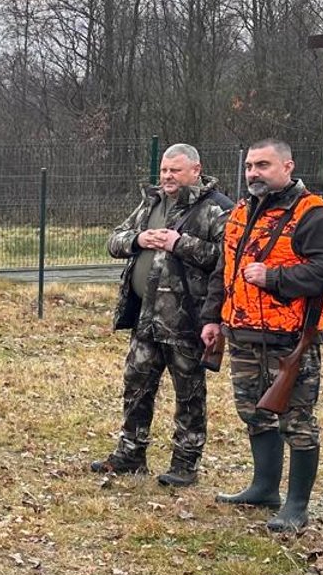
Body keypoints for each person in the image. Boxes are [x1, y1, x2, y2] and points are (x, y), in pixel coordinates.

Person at [199, 139, 323, 533]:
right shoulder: (242, 211)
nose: (253, 173)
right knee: (254, 413)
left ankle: (296, 505)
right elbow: (224, 268)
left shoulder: (311, 213)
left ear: (288, 166)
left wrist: (275, 277)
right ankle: (264, 488)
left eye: (263, 165)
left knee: (296, 420)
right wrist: (213, 317)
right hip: (242, 331)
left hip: (291, 337)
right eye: (249, 166)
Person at [92, 144, 231, 486]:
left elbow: (227, 258)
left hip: (187, 320)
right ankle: (130, 453)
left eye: (176, 171)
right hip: (145, 316)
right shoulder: (151, 202)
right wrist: (139, 238)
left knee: (189, 393)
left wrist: (178, 243)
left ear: (196, 170)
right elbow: (114, 241)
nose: (168, 177)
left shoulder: (216, 208)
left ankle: (185, 463)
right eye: (165, 170)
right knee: (136, 385)